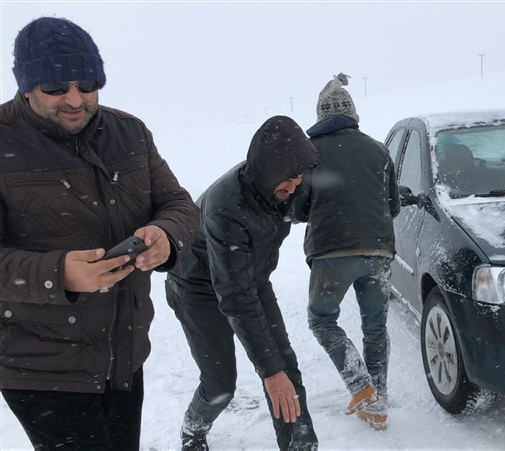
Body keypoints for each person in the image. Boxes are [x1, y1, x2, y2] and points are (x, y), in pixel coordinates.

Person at [0, 17, 200, 450]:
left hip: (124, 354)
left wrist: (166, 234)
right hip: (43, 367)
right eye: (55, 88)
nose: (74, 99)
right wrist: (58, 274)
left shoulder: (130, 132)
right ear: (27, 86)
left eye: (87, 83)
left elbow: (180, 204)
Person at [166, 115, 320, 450]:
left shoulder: (287, 182)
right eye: (286, 182)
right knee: (221, 384)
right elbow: (234, 295)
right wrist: (269, 372)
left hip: (253, 277)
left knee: (286, 369)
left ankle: (300, 446)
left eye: (298, 180)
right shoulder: (227, 208)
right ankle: (194, 428)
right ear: (267, 172)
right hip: (196, 288)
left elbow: (322, 200)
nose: (294, 188)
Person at [293, 73, 400, 430]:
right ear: (353, 113)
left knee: (322, 319)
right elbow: (393, 206)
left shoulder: (310, 154)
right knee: (375, 326)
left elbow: (298, 209)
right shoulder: (378, 149)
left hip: (332, 251)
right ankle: (377, 400)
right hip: (380, 251)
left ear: (321, 115)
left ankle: (360, 386)